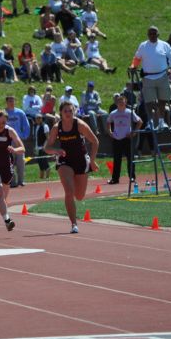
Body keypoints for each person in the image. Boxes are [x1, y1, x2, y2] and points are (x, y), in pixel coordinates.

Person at [43, 102, 100, 234]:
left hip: (80, 161)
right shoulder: (57, 128)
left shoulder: (79, 124)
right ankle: (74, 224)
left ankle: (75, 186)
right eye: (65, 111)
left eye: (70, 111)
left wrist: (92, 161)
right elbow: (47, 147)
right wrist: (56, 150)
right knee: (69, 192)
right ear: (61, 113)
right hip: (65, 161)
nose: (68, 113)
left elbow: (95, 141)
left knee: (79, 196)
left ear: (74, 111)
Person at [132, 26, 171, 130]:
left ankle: (162, 122)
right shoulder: (143, 46)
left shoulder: (164, 45)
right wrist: (133, 67)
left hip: (162, 75)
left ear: (158, 34)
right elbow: (137, 58)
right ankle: (150, 122)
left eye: (154, 33)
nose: (152, 35)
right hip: (148, 77)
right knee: (149, 101)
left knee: (163, 100)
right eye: (150, 33)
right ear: (148, 35)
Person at [106, 94, 141, 185]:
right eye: (119, 102)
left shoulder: (129, 112)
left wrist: (134, 132)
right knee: (117, 159)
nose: (121, 103)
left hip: (127, 138)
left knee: (130, 158)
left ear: (125, 103)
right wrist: (110, 132)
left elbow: (139, 121)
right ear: (116, 103)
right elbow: (108, 122)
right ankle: (115, 179)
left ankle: (132, 177)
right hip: (117, 138)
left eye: (123, 102)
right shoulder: (113, 113)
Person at [4, 96, 30, 187]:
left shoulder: (20, 113)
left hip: (18, 141)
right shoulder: (3, 113)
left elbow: (26, 125)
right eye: (10, 101)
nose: (12, 102)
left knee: (21, 161)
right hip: (7, 141)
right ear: (6, 102)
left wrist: (24, 135)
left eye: (13, 101)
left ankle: (21, 181)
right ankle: (12, 181)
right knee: (9, 161)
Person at [31, 114, 50, 179]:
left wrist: (44, 147)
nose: (38, 119)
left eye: (39, 118)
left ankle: (47, 178)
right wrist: (35, 147)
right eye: (37, 118)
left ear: (42, 118)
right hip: (37, 148)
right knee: (40, 163)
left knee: (45, 163)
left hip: (42, 148)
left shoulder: (45, 126)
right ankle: (41, 178)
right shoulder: (35, 126)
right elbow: (35, 138)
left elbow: (48, 138)